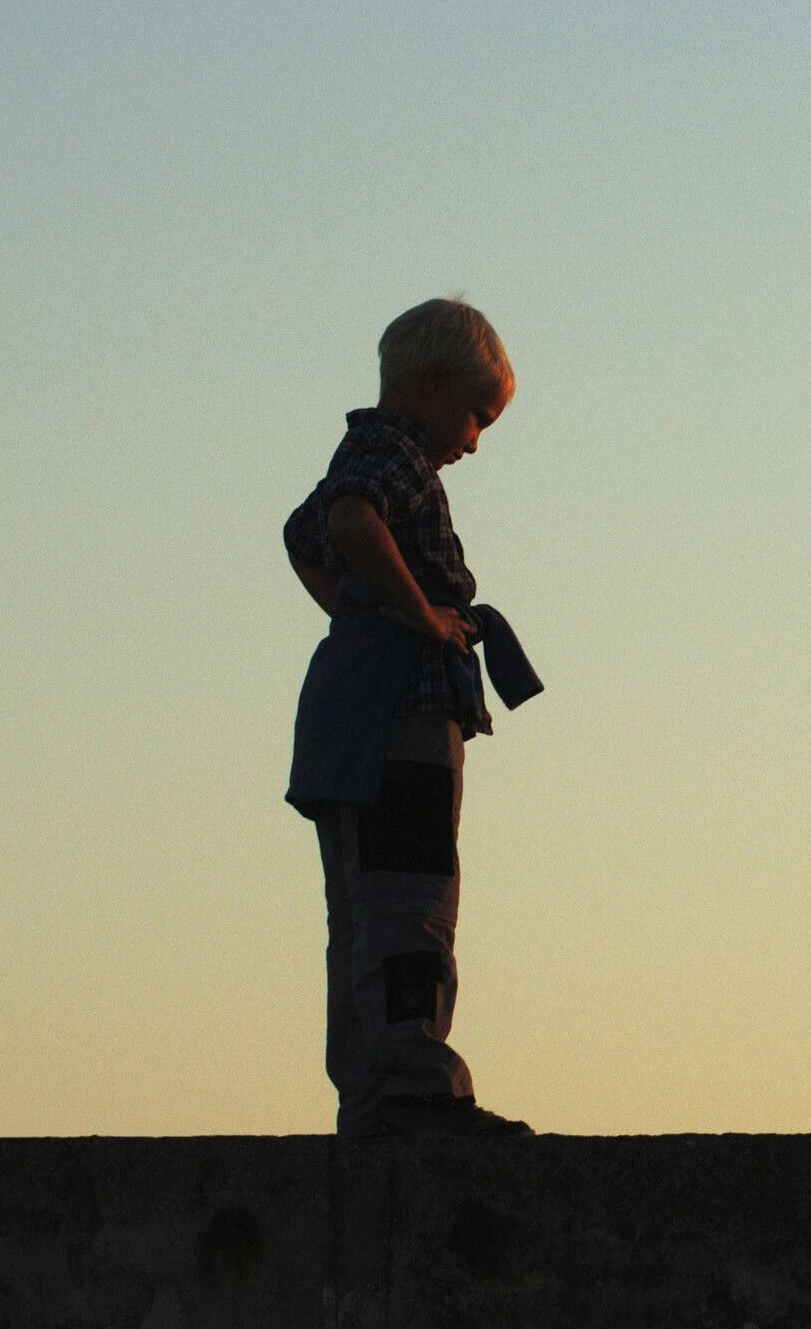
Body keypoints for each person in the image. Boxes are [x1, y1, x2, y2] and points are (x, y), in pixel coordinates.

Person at [283, 298, 543, 1137]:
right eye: (476, 418)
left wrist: (358, 609)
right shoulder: (392, 455)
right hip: (400, 725)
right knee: (409, 900)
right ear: (431, 386)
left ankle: (371, 1097)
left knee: (360, 916)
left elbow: (302, 537)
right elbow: (347, 521)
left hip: (353, 720)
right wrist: (418, 614)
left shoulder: (363, 453)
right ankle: (417, 1092)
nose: (474, 442)